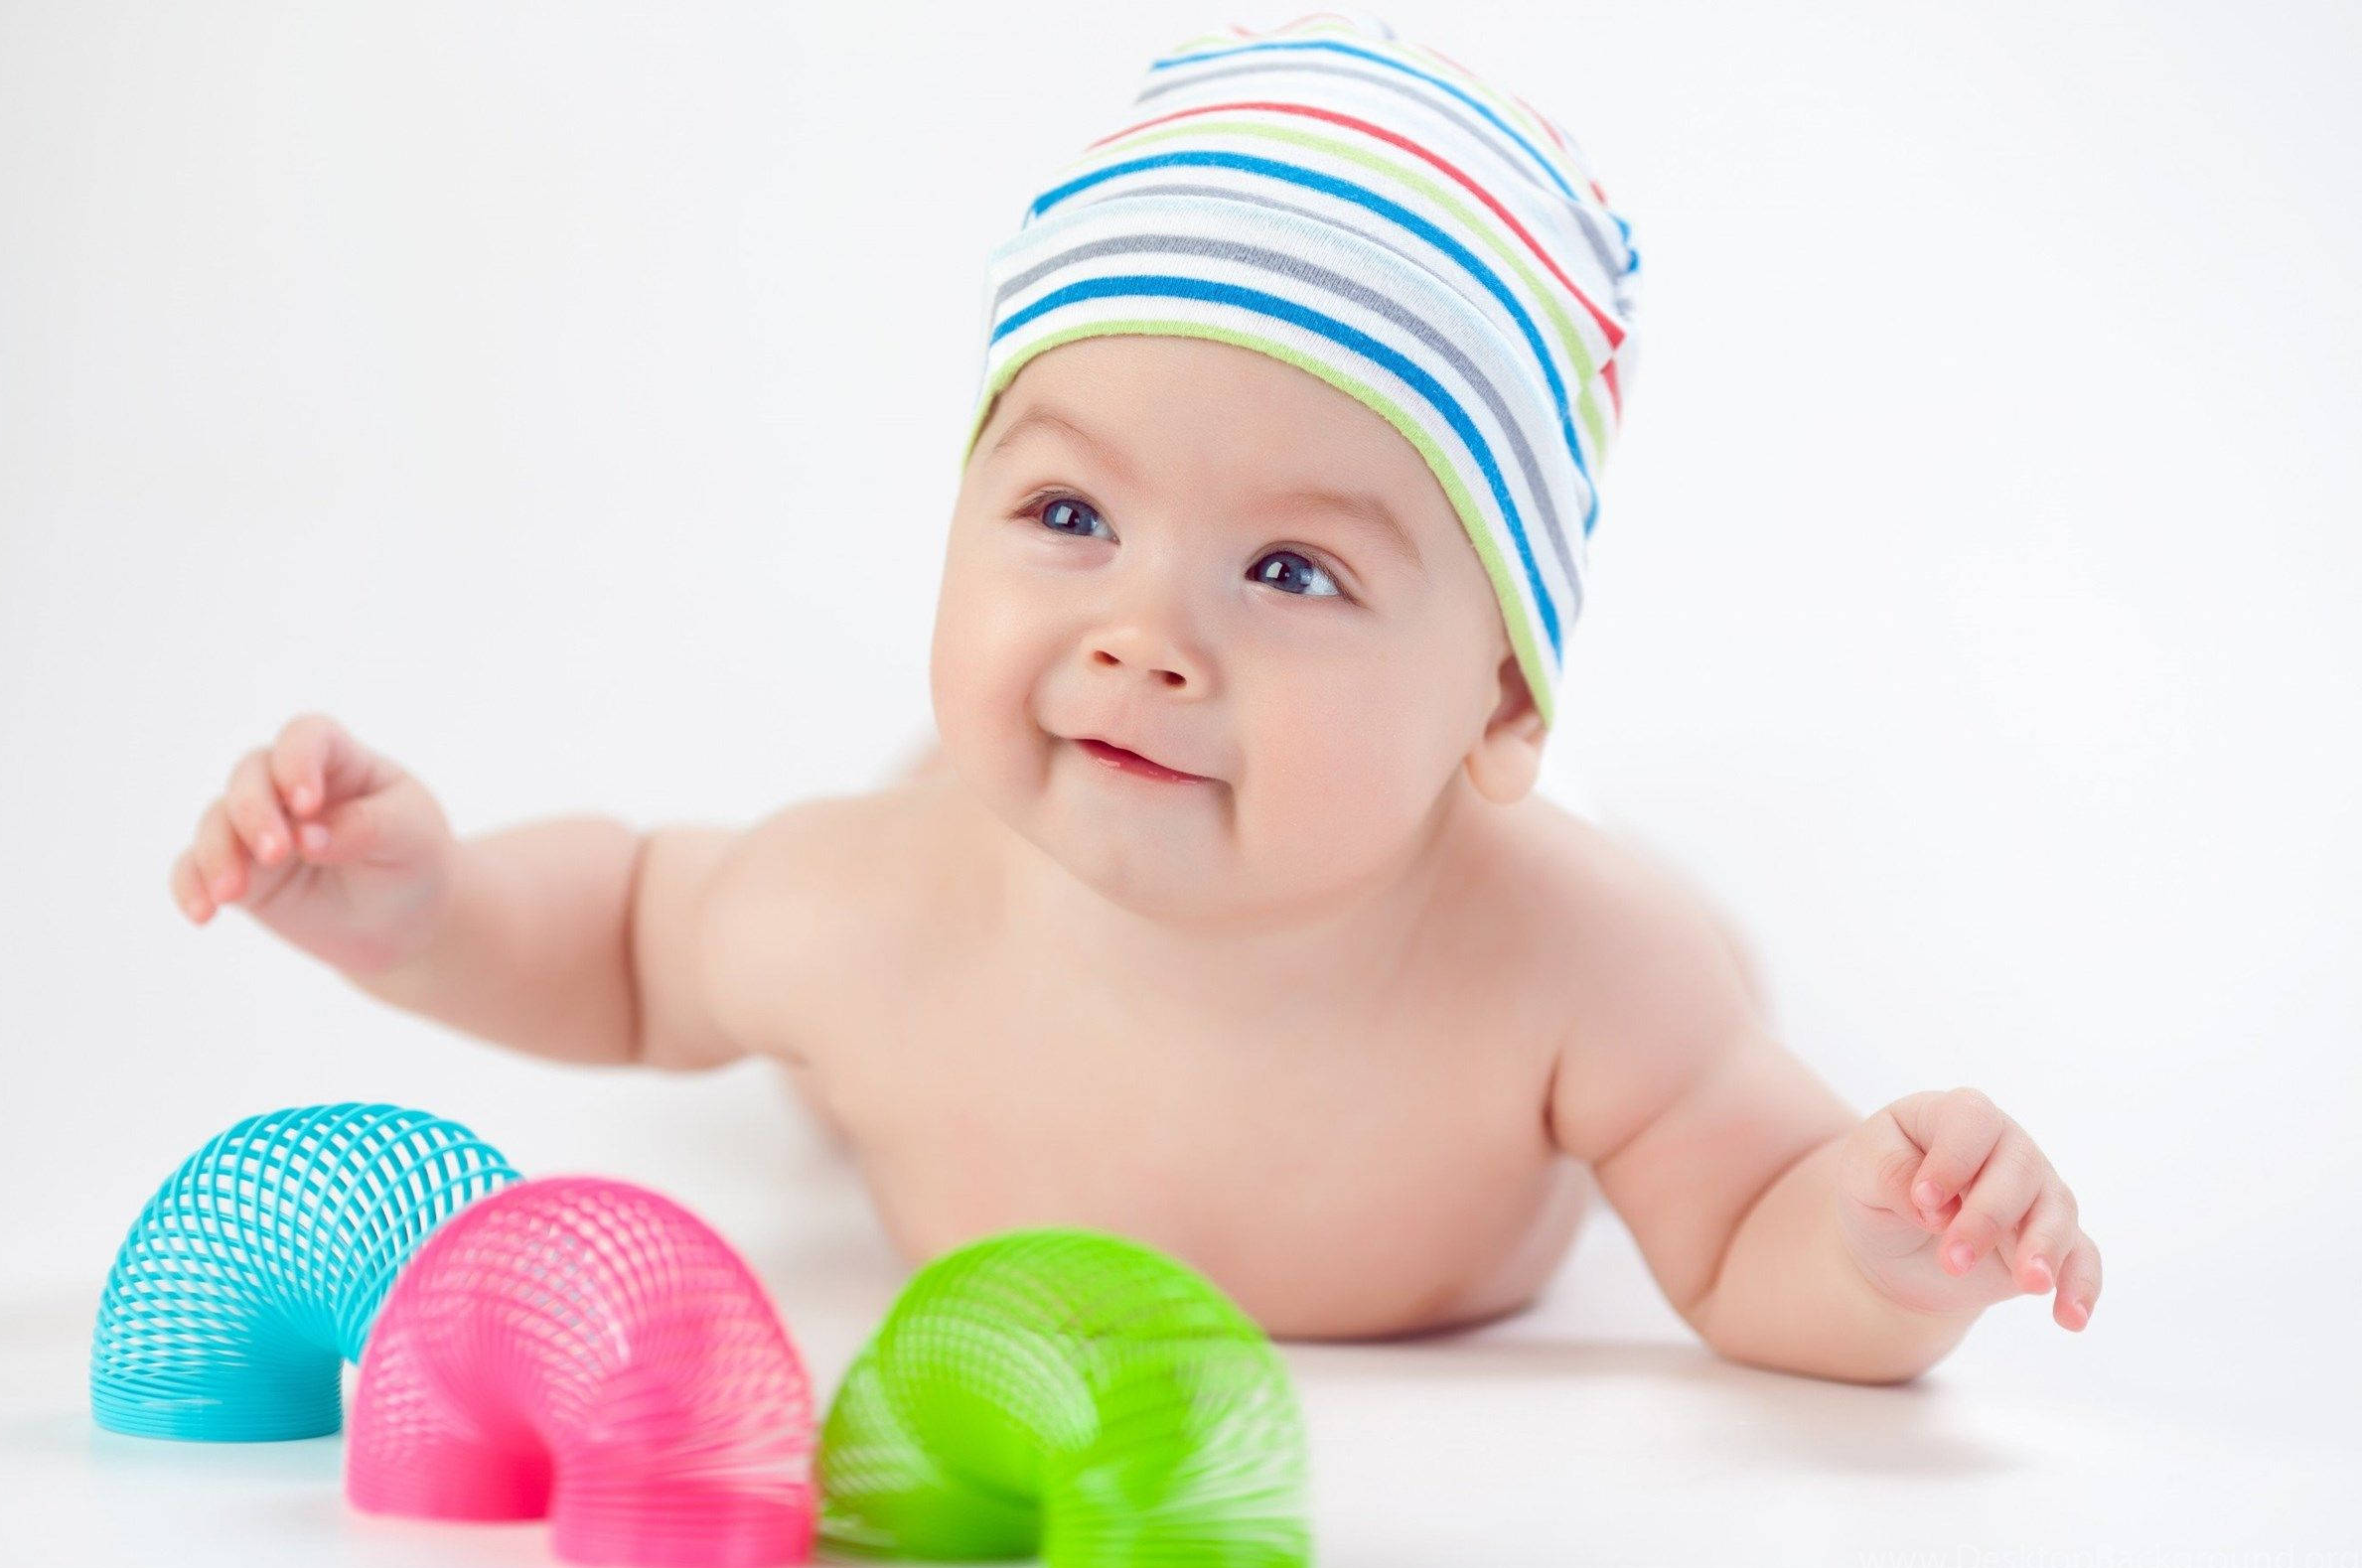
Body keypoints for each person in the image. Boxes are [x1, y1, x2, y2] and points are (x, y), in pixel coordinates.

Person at [168, 12, 2098, 1382]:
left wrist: (1875, 1241)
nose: (1144, 635)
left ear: (1500, 703)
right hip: (959, 891)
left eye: (1289, 570)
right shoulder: (868, 900)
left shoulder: (1578, 974)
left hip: (1547, 903)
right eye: (1068, 511)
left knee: (1710, 941)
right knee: (867, 865)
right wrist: (420, 910)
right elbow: (618, 941)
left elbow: (1742, 1231)